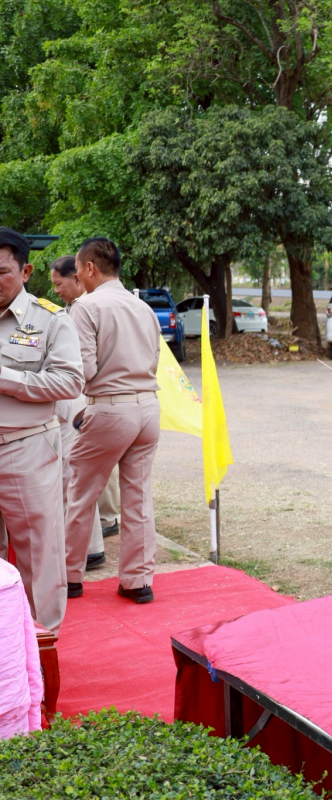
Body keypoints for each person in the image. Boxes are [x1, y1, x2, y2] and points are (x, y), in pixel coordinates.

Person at [63, 237, 160, 604]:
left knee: (80, 493)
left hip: (110, 406)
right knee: (138, 497)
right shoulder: (143, 307)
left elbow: (82, 371)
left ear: (90, 268)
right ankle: (138, 581)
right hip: (148, 406)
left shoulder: (86, 307)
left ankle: (71, 576)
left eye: (78, 269)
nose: (77, 277)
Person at [0, 229, 83, 632]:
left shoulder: (50, 320)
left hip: (26, 449)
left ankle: (41, 643)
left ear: (25, 270)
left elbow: (69, 383)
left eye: (1, 272)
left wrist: (5, 377)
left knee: (38, 553)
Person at [48, 256, 104, 571]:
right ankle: (88, 546)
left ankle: (88, 549)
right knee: (75, 476)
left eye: (60, 284)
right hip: (72, 396)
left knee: (74, 474)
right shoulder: (72, 310)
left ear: (78, 278)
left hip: (78, 398)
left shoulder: (85, 309)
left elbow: (87, 364)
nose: (57, 290)